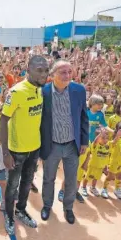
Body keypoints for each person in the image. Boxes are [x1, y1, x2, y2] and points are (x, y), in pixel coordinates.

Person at [0, 55, 49, 235]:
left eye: (46, 70)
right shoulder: (16, 92)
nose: (44, 74)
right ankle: (9, 215)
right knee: (12, 185)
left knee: (27, 183)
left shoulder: (41, 90)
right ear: (28, 70)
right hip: (16, 150)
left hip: (34, 148)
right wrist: (5, 153)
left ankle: (21, 210)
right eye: (39, 70)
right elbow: (3, 120)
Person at [40, 60, 89, 224]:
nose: (67, 75)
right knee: (48, 178)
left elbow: (83, 117)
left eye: (69, 71)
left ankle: (68, 208)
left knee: (71, 179)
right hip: (51, 145)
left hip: (72, 145)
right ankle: (47, 205)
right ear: (52, 75)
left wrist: (84, 141)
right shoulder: (43, 92)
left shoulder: (79, 90)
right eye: (63, 72)